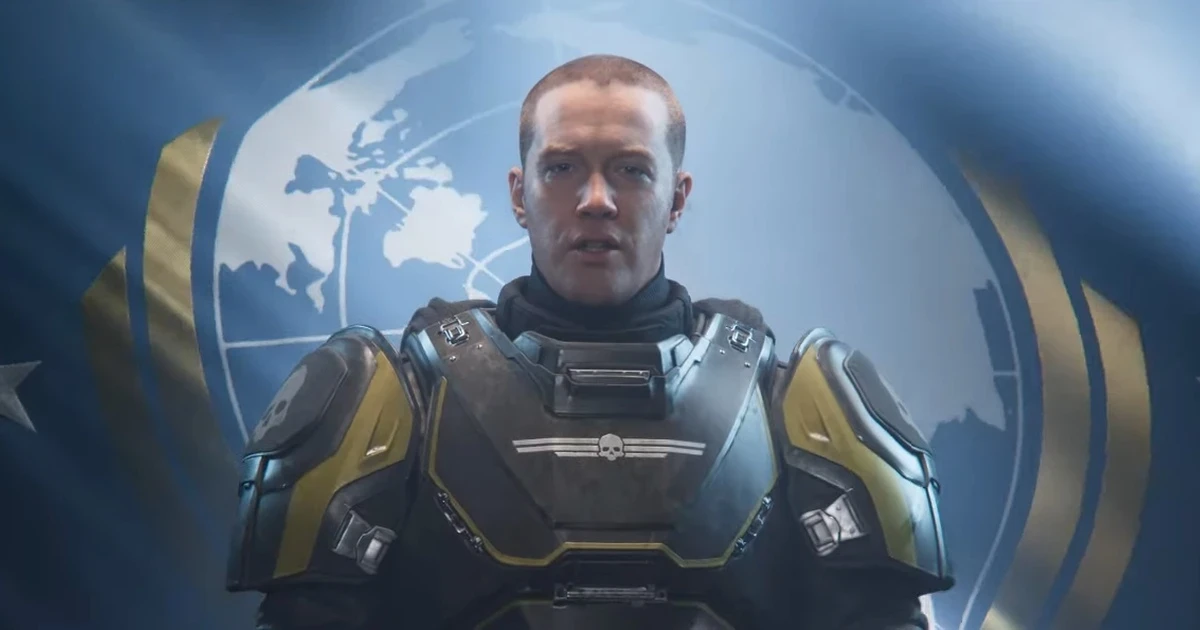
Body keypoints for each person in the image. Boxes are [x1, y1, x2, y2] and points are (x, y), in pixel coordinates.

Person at [226, 54, 954, 629]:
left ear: (677, 198)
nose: (597, 200)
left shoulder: (793, 402)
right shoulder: (394, 396)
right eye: (562, 168)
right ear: (520, 194)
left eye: (631, 171)